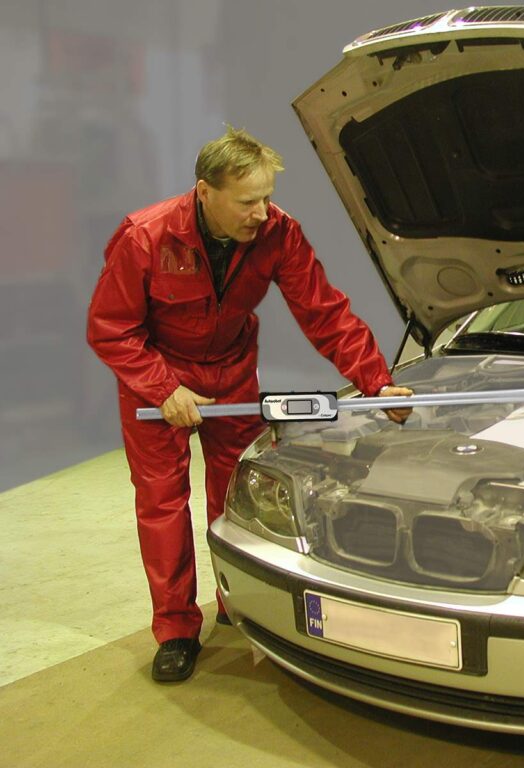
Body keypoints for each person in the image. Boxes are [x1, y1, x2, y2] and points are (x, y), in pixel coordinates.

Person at [86, 126, 411, 683]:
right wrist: (163, 388)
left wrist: (376, 382)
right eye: (247, 201)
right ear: (204, 192)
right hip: (156, 377)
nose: (261, 212)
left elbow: (324, 312)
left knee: (234, 494)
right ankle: (176, 628)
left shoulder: (278, 232)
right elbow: (110, 328)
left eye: (266, 197)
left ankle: (234, 599)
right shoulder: (145, 236)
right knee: (163, 506)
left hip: (232, 369)